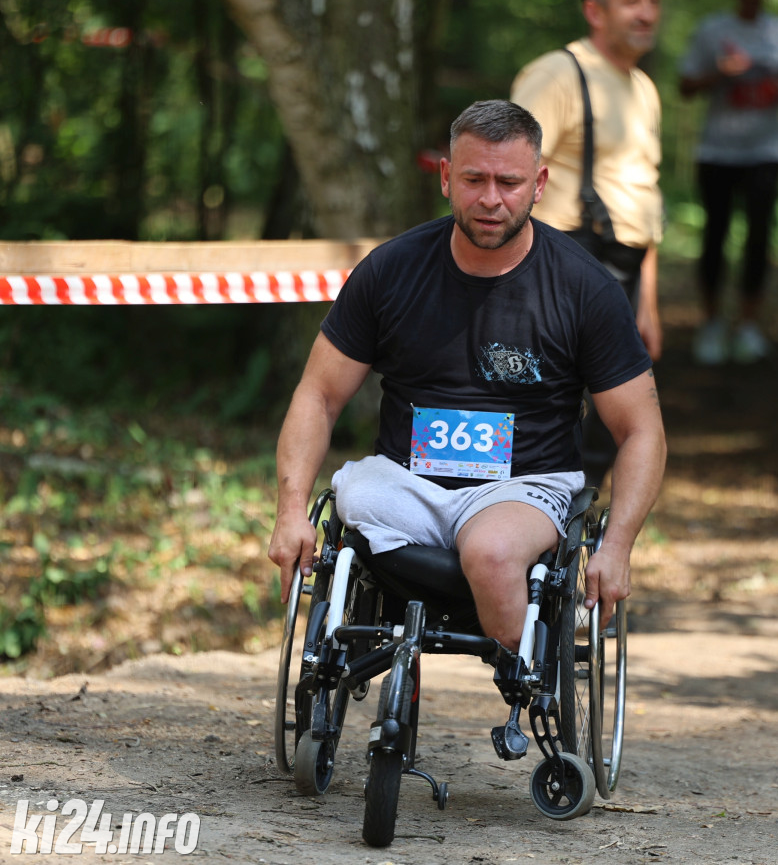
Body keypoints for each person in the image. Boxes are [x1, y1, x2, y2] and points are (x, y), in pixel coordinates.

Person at [268, 100, 666, 653]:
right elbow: (318, 394)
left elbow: (642, 430)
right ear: (446, 178)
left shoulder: (585, 289)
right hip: (405, 485)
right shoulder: (390, 271)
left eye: (509, 182)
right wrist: (290, 514)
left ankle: (519, 663)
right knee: (351, 501)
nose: (490, 200)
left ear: (540, 184)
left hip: (524, 488)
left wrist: (616, 546)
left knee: (491, 552)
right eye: (474, 179)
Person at [510, 0, 673, 488]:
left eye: (652, 0)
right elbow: (507, 177)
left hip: (620, 273)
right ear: (593, 11)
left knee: (610, 426)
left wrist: (646, 303)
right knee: (543, 418)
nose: (647, 13)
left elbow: (643, 200)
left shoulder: (644, 88)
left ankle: (566, 551)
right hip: (559, 271)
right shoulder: (557, 74)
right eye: (632, 2)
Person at [678, 0, 778, 365]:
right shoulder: (713, 30)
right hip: (717, 151)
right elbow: (685, 85)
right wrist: (720, 73)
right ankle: (711, 323)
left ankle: (747, 325)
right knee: (715, 235)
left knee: (760, 237)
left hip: (766, 151)